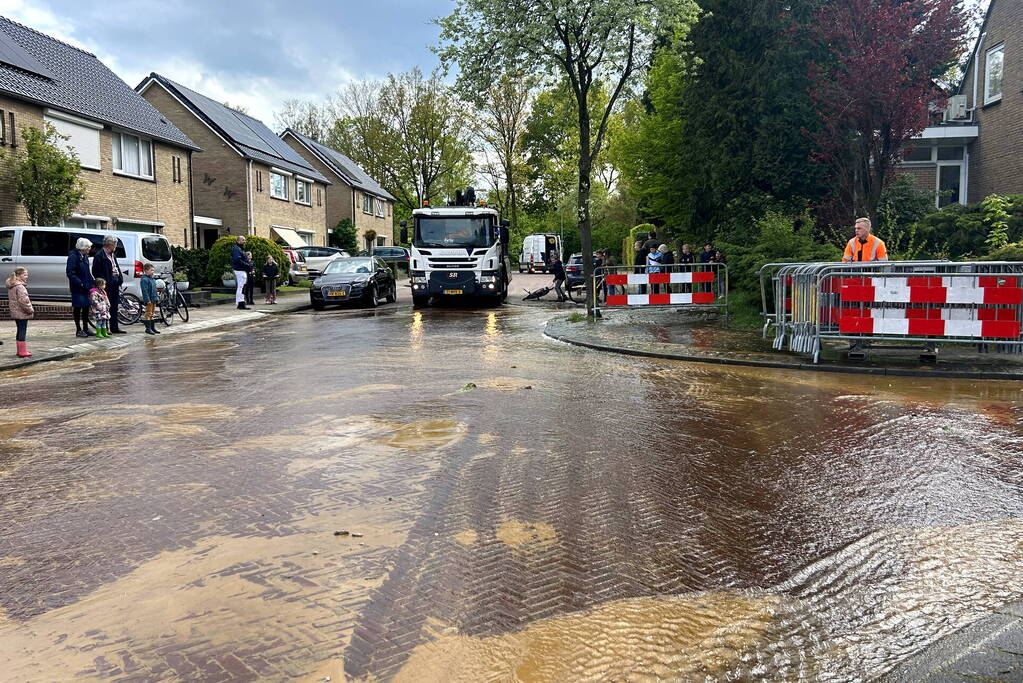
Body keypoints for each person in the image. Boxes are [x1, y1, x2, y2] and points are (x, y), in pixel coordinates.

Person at [91, 235, 125, 333]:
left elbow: (116, 267)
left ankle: (115, 327)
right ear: (110, 245)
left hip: (115, 282)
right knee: (106, 307)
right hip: (107, 284)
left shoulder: (112, 254)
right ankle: (107, 328)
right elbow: (96, 272)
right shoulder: (99, 256)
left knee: (114, 306)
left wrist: (120, 278)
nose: (115, 247)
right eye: (115, 245)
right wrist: (104, 282)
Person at [66, 237, 95, 338]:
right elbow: (70, 272)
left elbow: (87, 271)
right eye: (88, 247)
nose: (89, 249)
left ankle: (86, 328)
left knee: (86, 308)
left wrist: (92, 281)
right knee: (78, 308)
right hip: (78, 287)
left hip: (86, 286)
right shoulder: (73, 257)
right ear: (83, 248)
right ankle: (78, 329)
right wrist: (80, 283)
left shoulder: (85, 256)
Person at [6, 267, 33, 357]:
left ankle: (20, 350)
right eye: (25, 275)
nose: (27, 276)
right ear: (18, 275)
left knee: (19, 329)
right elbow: (24, 301)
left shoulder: (12, 285)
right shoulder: (20, 287)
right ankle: (22, 351)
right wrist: (30, 310)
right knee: (22, 330)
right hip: (22, 312)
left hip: (15, 312)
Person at [140, 264, 160, 336]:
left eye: (153, 270)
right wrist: (147, 300)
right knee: (148, 313)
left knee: (152, 313)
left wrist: (157, 298)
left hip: (153, 299)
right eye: (151, 270)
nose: (153, 272)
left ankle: (152, 328)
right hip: (149, 300)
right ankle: (148, 328)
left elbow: (155, 290)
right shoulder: (144, 280)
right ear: (146, 271)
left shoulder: (152, 279)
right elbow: (144, 291)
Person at [231, 235, 248, 309]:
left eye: (244, 240)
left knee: (242, 287)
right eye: (243, 240)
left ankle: (241, 302)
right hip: (239, 270)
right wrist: (247, 264)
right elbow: (237, 260)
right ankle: (240, 302)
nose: (244, 241)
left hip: (241, 270)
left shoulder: (239, 249)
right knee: (241, 287)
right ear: (238, 241)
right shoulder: (237, 249)